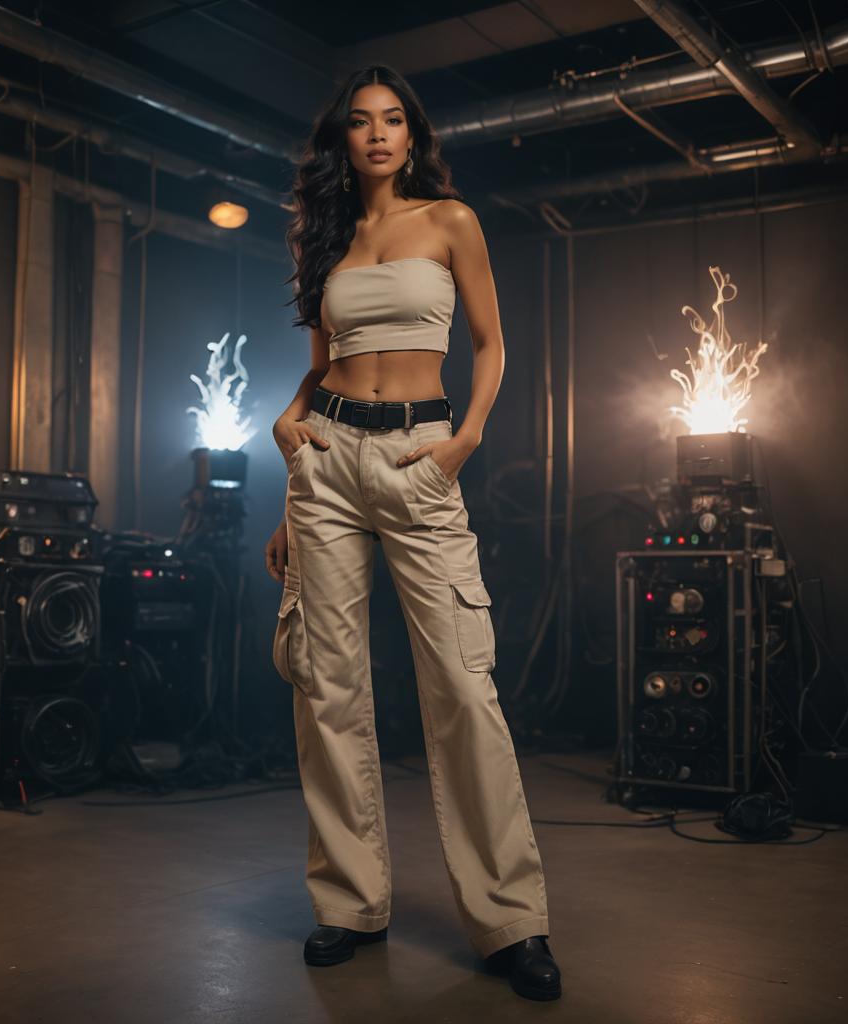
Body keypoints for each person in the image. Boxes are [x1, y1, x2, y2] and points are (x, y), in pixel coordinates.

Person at [264, 64, 561, 1002]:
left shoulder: (450, 221)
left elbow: (491, 342)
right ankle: (350, 902)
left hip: (418, 456)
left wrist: (463, 441)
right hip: (326, 462)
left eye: (393, 120)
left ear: (411, 134)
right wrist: (287, 441)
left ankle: (511, 921)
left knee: (464, 686)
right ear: (343, 139)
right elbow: (321, 368)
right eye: (361, 122)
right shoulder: (325, 236)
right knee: (326, 685)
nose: (378, 134)